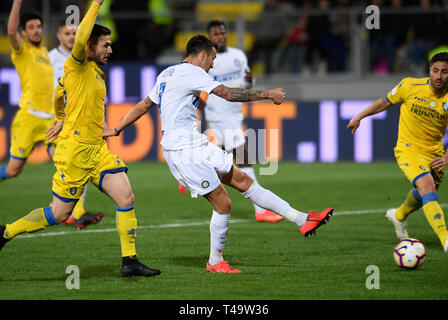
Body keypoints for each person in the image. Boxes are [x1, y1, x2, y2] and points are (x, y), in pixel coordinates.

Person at [104, 34, 334, 273]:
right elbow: (227, 94)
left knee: (244, 180)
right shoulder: (194, 73)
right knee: (223, 203)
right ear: (202, 55)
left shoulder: (167, 73)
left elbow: (144, 104)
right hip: (183, 151)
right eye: (212, 58)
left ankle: (303, 220)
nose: (213, 63)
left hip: (196, 143)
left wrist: (118, 128)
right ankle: (215, 261)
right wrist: (268, 94)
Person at [0, 0, 161, 278]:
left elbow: (59, 95)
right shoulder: (76, 64)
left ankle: (130, 261)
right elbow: (79, 46)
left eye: (110, 45)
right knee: (59, 214)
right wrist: (96, 3)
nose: (110, 49)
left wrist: (61, 116)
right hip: (74, 153)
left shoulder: (95, 73)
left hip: (97, 150)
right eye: (105, 45)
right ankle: (6, 232)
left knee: (126, 197)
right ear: (89, 46)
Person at [347, 52, 448, 253]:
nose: (439, 76)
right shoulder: (410, 86)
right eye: (435, 70)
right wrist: (360, 116)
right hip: (408, 149)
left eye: (444, 72)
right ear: (429, 70)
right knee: (428, 188)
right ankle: (445, 239)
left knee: (424, 194)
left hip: (435, 152)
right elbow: (384, 102)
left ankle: (399, 215)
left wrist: (446, 157)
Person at [197, 20, 284, 223]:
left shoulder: (238, 56)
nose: (220, 36)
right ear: (210, 37)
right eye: (216, 34)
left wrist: (249, 80)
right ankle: (261, 209)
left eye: (222, 33)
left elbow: (246, 82)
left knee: (219, 161)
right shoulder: (208, 60)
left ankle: (189, 174)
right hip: (218, 115)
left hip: (235, 114)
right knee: (243, 157)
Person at [48, 22, 104, 229]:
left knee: (74, 168)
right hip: (53, 121)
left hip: (72, 122)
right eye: (67, 33)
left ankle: (72, 212)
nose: (72, 37)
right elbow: (54, 90)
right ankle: (68, 211)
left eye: (74, 33)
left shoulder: (84, 59)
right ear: (58, 35)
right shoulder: (49, 59)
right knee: (70, 167)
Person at [0, 1, 55, 184]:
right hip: (29, 118)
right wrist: (17, 3)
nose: (36, 30)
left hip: (50, 120)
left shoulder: (46, 53)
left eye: (38, 26)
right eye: (31, 27)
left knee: (67, 163)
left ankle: (73, 212)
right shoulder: (22, 51)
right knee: (13, 170)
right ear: (24, 32)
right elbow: (10, 32)